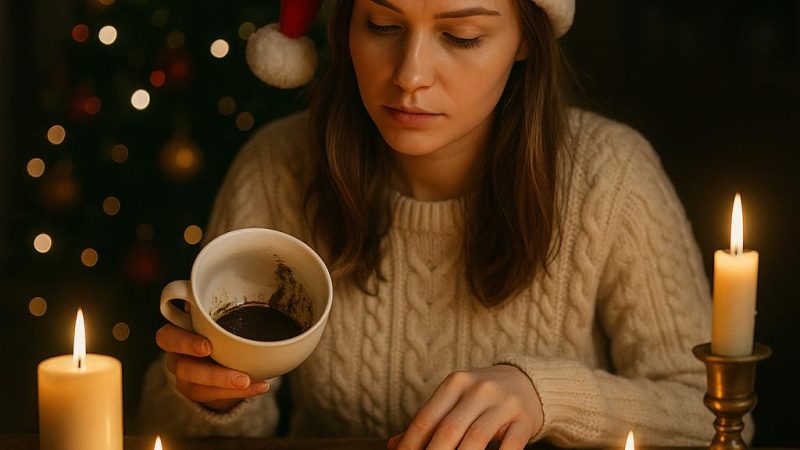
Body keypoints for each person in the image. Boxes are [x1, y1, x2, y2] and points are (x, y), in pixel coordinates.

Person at [139, 0, 741, 448]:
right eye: (381, 25)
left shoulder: (612, 179)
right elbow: (185, 430)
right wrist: (208, 397)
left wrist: (548, 396)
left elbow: (709, 416)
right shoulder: (276, 168)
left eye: (461, 35)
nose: (410, 74)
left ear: (525, 38)